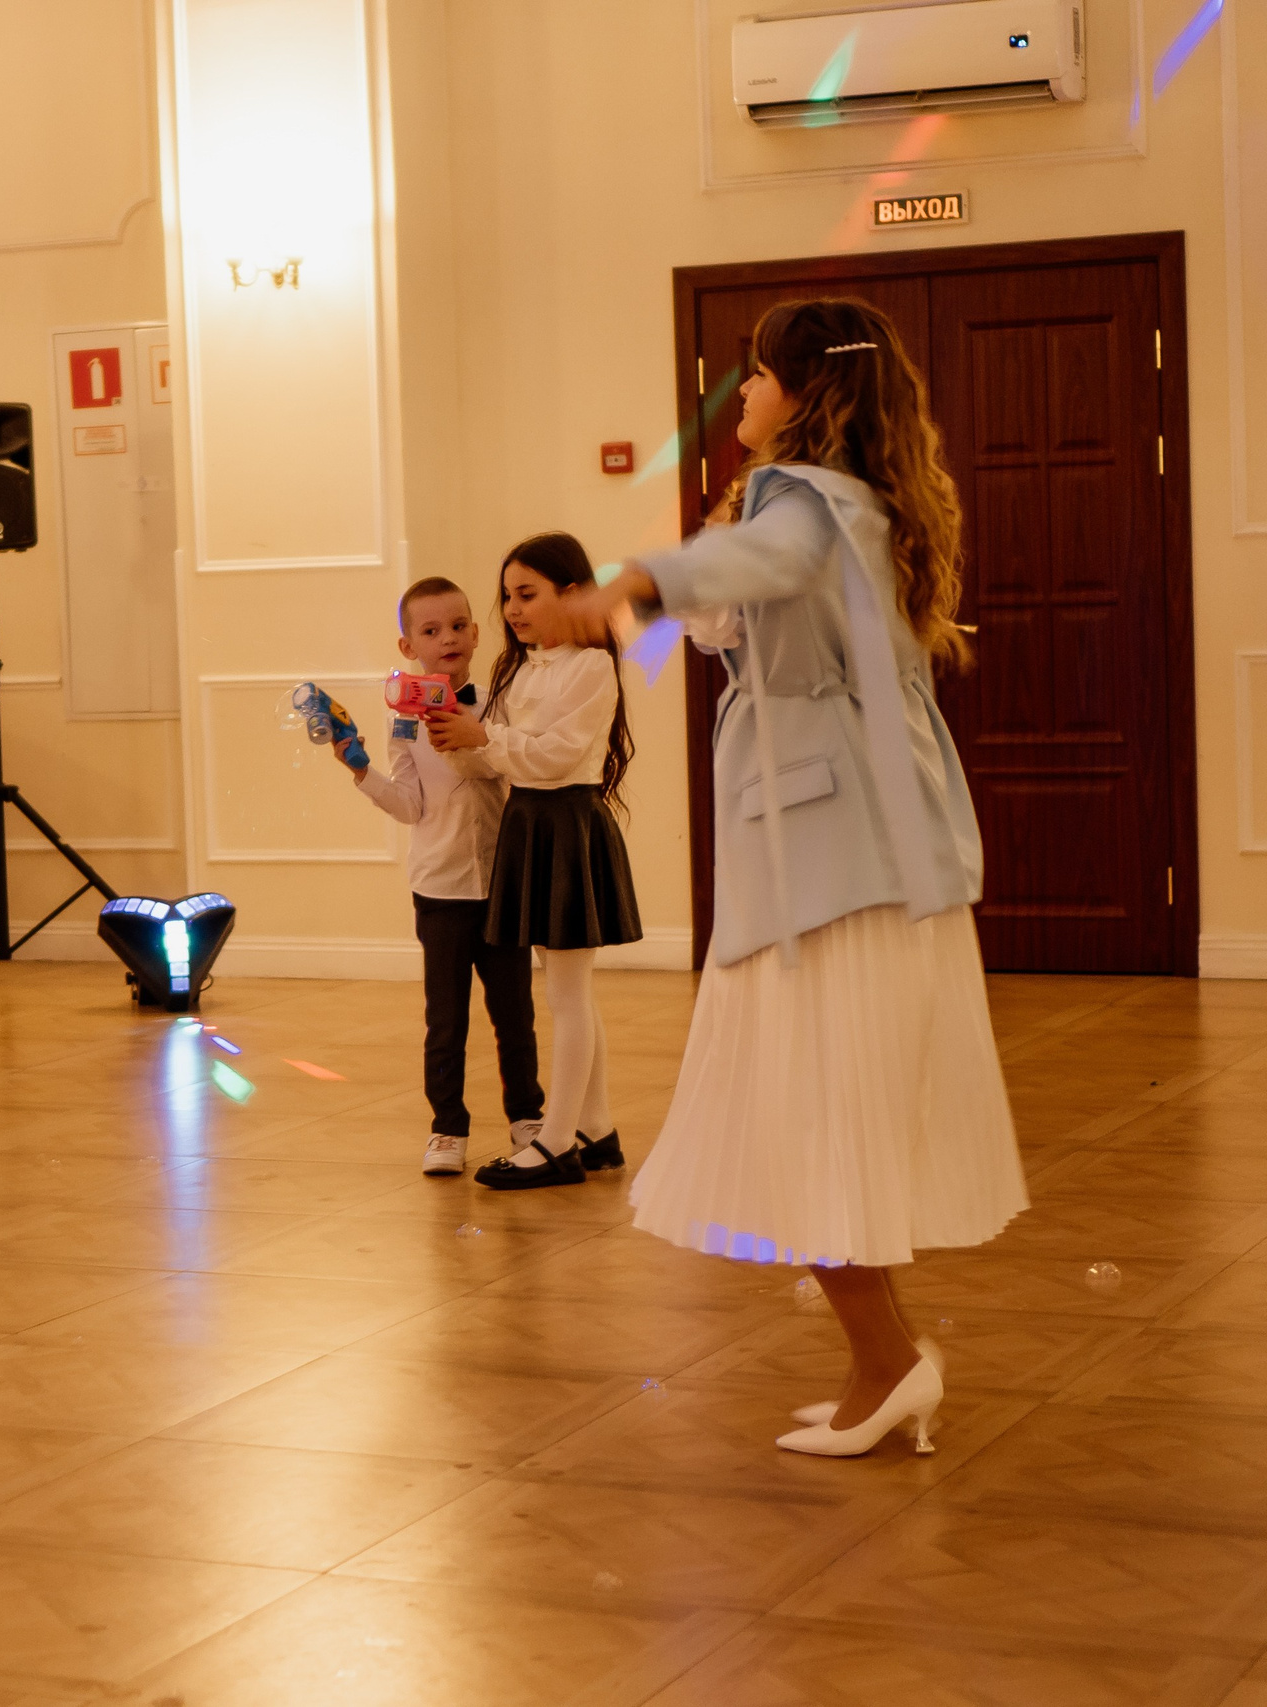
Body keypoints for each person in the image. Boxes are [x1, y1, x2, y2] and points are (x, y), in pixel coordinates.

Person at [554, 297, 1026, 1457]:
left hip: (831, 866)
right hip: (860, 855)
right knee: (819, 1118)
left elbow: (754, 563)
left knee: (804, 1116)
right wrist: (658, 601)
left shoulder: (803, 504)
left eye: (755, 377)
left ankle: (886, 1362)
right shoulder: (854, 504)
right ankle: (887, 1366)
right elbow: (736, 608)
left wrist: (625, 586)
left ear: (803, 391)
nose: (741, 396)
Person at [422, 533, 640, 1190]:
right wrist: (452, 736)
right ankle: (595, 1130)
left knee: (566, 992)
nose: (512, 610)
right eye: (508, 596)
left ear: (570, 593)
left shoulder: (592, 667)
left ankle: (556, 1141)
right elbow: (494, 760)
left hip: (567, 825)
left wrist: (484, 735)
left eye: (527, 594)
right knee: (569, 989)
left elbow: (552, 755)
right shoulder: (517, 669)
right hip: (528, 825)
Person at [336, 576, 543, 1176]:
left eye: (457, 626)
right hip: (440, 889)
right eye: (430, 631)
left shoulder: (501, 702)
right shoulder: (403, 720)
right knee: (445, 1018)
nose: (446, 638)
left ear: (476, 632)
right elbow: (410, 805)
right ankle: (447, 1127)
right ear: (408, 647)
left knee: (515, 1014)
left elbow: (511, 773)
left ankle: (528, 1117)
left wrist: (470, 734)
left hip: (502, 887)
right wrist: (361, 770)